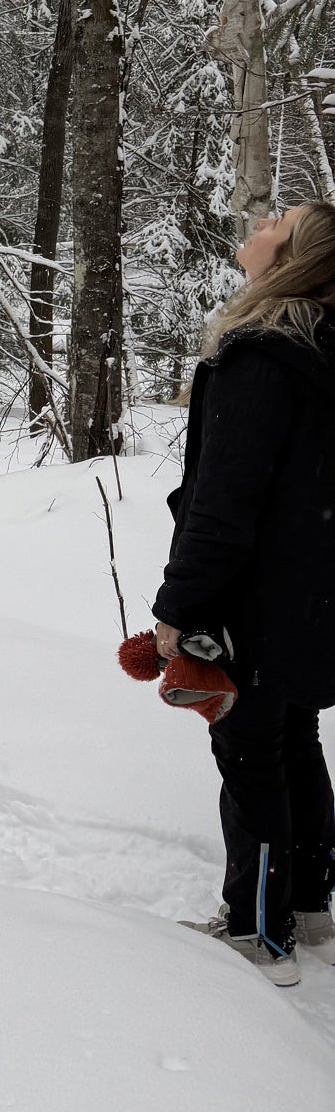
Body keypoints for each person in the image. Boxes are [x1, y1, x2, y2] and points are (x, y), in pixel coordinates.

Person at [155, 201, 335, 986]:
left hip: (258, 595)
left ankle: (259, 933)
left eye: (278, 219)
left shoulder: (262, 355)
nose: (258, 220)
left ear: (295, 255)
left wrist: (179, 606)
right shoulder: (320, 349)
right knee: (291, 740)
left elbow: (224, 502)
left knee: (248, 751)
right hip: (316, 593)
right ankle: (305, 909)